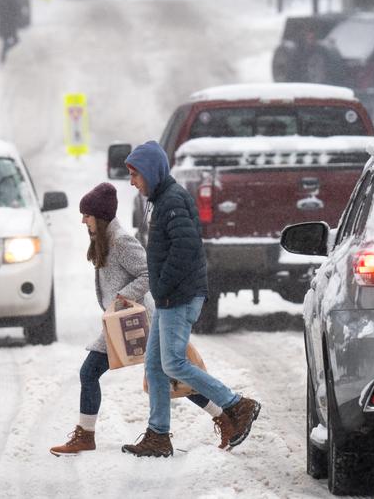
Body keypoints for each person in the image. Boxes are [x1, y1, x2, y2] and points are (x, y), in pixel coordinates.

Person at [49, 183, 233, 456]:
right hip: (119, 320)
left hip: (137, 320)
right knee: (162, 373)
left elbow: (148, 273)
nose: (82, 220)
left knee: (162, 373)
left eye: (86, 215)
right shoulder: (104, 241)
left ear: (99, 217)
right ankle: (222, 416)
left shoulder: (121, 241)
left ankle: (224, 415)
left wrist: (122, 297)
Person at [121, 141, 261, 458]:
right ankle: (158, 435)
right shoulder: (164, 199)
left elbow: (185, 250)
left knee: (173, 363)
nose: (132, 182)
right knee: (155, 366)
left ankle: (237, 405)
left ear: (151, 172)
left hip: (178, 296)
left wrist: (164, 286)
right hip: (172, 295)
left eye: (135, 175)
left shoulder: (171, 202)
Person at [0, 0, 22, 64]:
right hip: (9, 23)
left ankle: (3, 55)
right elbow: (15, 10)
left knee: (7, 40)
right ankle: (3, 55)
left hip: (5, 23)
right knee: (13, 40)